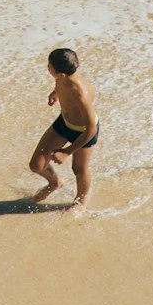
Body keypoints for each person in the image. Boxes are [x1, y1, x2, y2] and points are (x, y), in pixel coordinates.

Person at [29, 46, 98, 212]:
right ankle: (54, 182)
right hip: (64, 123)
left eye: (49, 67)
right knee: (36, 165)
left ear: (62, 73)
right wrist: (56, 93)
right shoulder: (63, 76)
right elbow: (59, 82)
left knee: (79, 169)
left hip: (83, 132)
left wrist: (67, 151)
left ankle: (81, 201)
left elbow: (91, 129)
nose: (47, 67)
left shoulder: (80, 93)